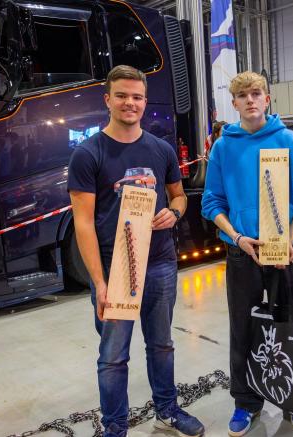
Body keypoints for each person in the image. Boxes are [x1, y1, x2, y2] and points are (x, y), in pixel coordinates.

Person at [67, 65, 205, 437]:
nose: (131, 103)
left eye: (138, 96)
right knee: (113, 357)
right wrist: (99, 282)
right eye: (123, 95)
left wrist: (172, 213)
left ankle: (168, 410)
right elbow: (83, 224)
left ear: (145, 101)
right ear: (108, 99)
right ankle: (115, 428)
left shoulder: (160, 149)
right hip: (116, 268)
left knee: (161, 344)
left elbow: (179, 196)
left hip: (159, 262)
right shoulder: (88, 153)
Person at [201, 71, 293, 436]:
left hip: (282, 252)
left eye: (257, 93)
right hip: (242, 253)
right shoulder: (223, 146)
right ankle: (246, 401)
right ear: (233, 103)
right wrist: (236, 237)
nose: (251, 100)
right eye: (243, 95)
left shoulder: (288, 141)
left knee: (290, 322)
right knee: (244, 327)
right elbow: (211, 202)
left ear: (268, 99)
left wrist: (291, 237)